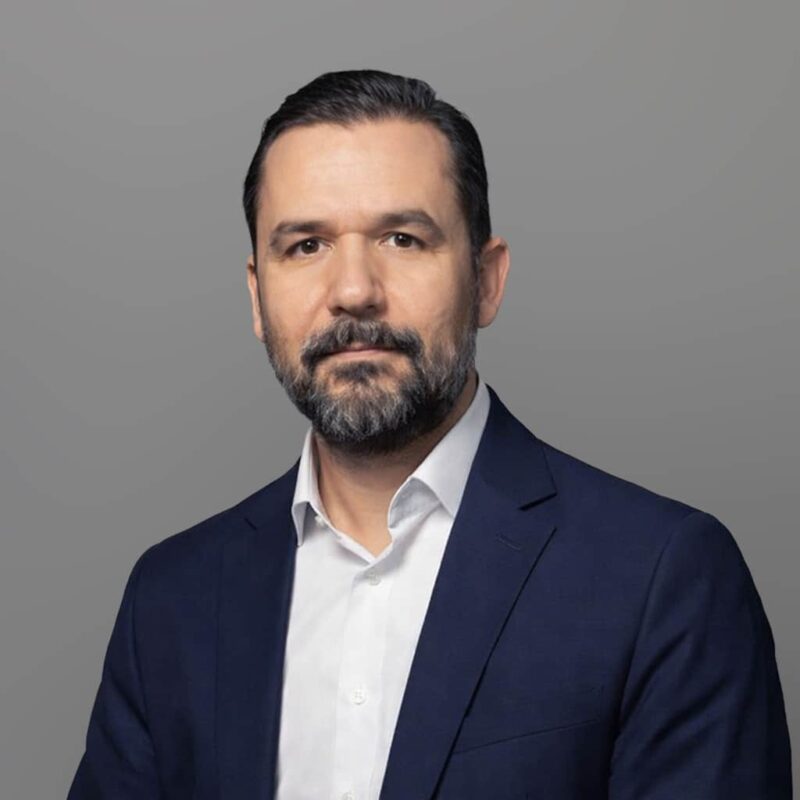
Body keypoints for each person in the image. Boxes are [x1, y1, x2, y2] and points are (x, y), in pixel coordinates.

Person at [67, 69, 792, 800]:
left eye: (403, 239)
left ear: (487, 281)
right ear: (258, 297)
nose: (354, 291)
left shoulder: (663, 577)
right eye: (307, 245)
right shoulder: (171, 598)